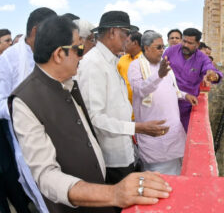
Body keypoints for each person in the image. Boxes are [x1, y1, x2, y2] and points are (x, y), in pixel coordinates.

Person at [9, 15, 171, 212]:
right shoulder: (25, 101)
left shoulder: (70, 84)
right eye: (78, 48)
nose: (83, 54)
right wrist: (113, 193)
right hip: (78, 203)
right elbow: (46, 176)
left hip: (98, 185)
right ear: (59, 54)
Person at [77, 11, 170, 185]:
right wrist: (137, 127)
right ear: (112, 32)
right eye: (125, 33)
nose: (128, 38)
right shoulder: (93, 64)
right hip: (111, 158)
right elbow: (94, 118)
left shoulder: (111, 61)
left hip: (124, 151)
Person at [0, 7, 57, 212]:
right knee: (44, 195)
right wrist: (26, 109)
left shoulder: (52, 52)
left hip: (57, 134)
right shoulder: (9, 58)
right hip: (28, 141)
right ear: (35, 31)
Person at [128, 31, 197, 175]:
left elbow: (171, 89)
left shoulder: (164, 65)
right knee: (159, 179)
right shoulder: (136, 66)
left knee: (178, 175)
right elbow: (140, 90)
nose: (162, 50)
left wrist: (185, 95)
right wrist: (158, 75)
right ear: (146, 48)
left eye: (162, 47)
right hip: (155, 136)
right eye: (158, 47)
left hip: (174, 131)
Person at [163, 28, 223, 132]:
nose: (185, 45)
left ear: (197, 44)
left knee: (185, 136)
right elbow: (159, 68)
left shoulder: (202, 58)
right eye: (184, 41)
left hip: (187, 105)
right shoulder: (171, 51)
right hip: (168, 101)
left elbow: (211, 70)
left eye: (190, 43)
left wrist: (214, 75)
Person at [117, 31, 142, 106]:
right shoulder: (122, 60)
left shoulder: (146, 60)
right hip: (124, 108)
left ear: (135, 43)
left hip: (144, 111)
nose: (124, 44)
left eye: (127, 41)